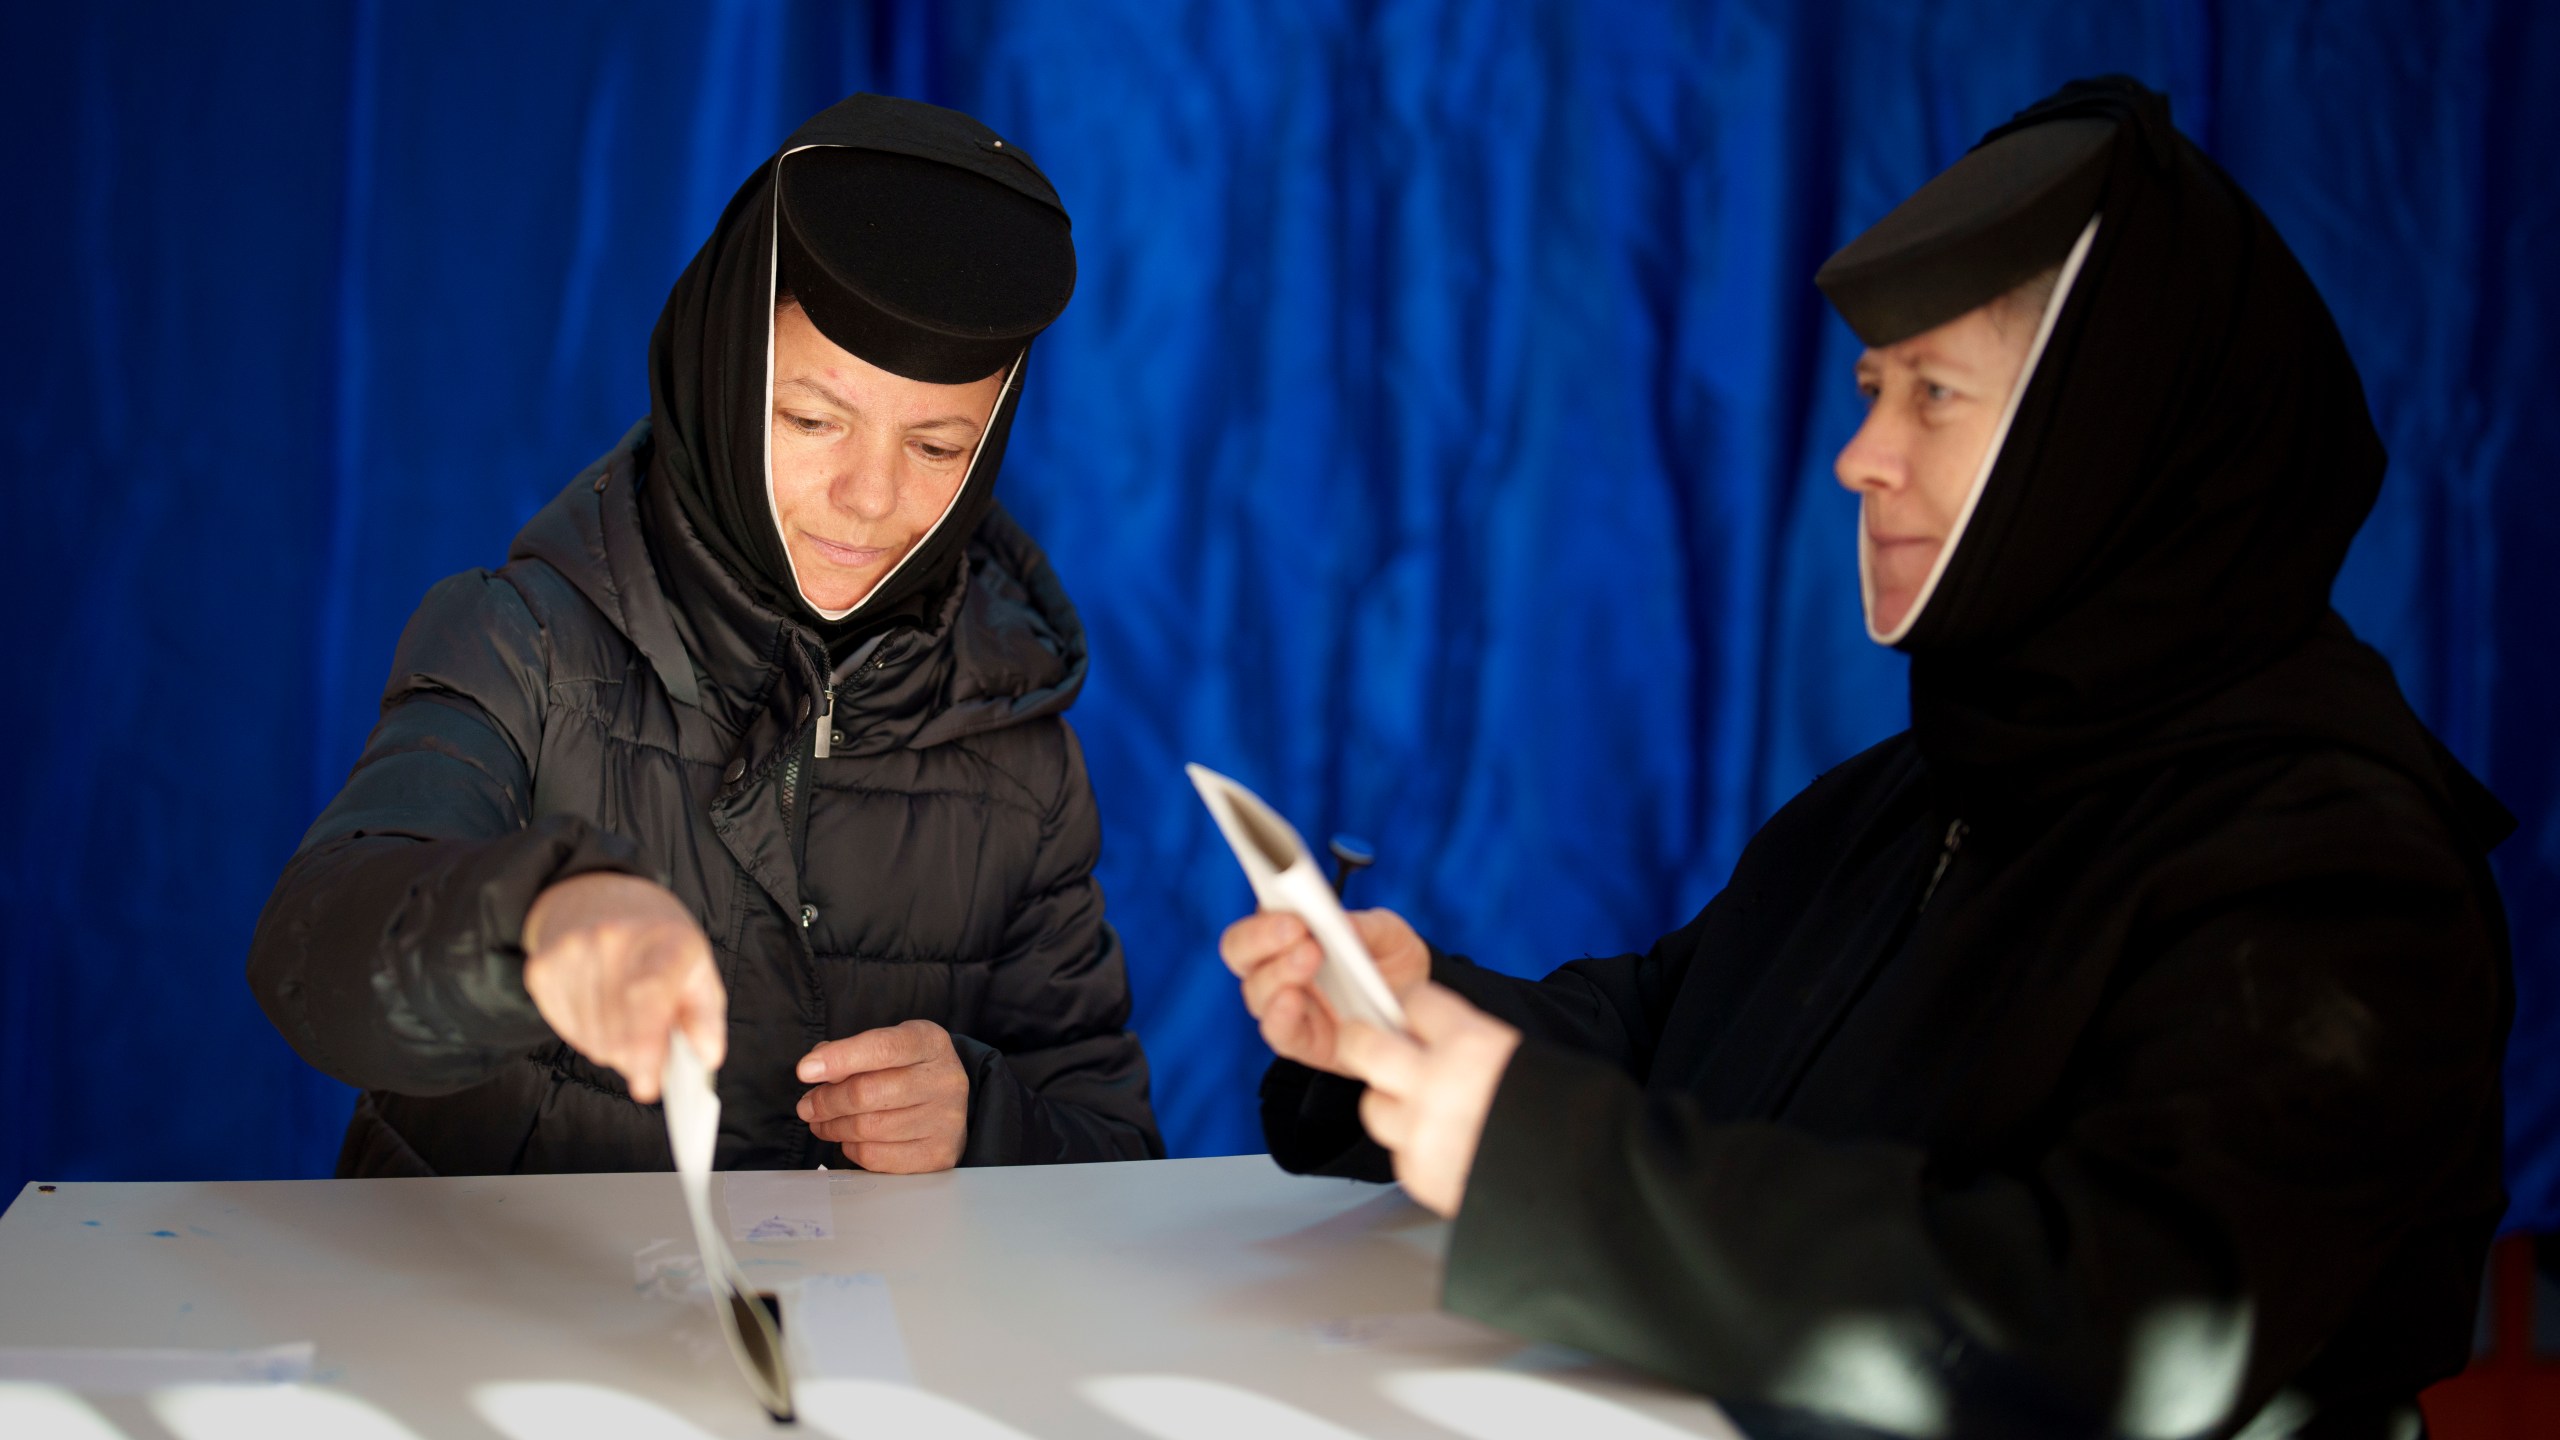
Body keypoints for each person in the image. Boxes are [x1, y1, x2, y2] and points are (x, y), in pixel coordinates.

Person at [1222, 78, 2510, 1437]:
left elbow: (2116, 1336)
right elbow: (1670, 1039)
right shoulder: (1915, 794)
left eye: (1934, 396)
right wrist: (1403, 1027)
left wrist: (1542, 1162)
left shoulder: (2335, 877)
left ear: (2111, 437)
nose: (1857, 459)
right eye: (1869, 390)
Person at [250, 93, 1160, 1176]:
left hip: (848, 1338)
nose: (870, 497)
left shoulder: (1019, 745)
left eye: (936, 447)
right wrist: (532, 922)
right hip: (503, 1328)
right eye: (813, 421)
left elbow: (1110, 1151)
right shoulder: (521, 643)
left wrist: (982, 1116)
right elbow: (309, 958)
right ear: (724, 377)